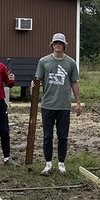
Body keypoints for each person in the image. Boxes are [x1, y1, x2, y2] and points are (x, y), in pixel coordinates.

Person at [32, 32, 83, 175]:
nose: (58, 45)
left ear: (64, 45)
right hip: (48, 104)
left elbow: (74, 83)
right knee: (47, 136)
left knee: (63, 136)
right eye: (55, 43)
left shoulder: (71, 63)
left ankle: (61, 163)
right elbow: (39, 79)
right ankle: (48, 164)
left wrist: (78, 102)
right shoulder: (44, 61)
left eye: (60, 43)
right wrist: (34, 85)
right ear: (52, 45)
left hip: (64, 105)